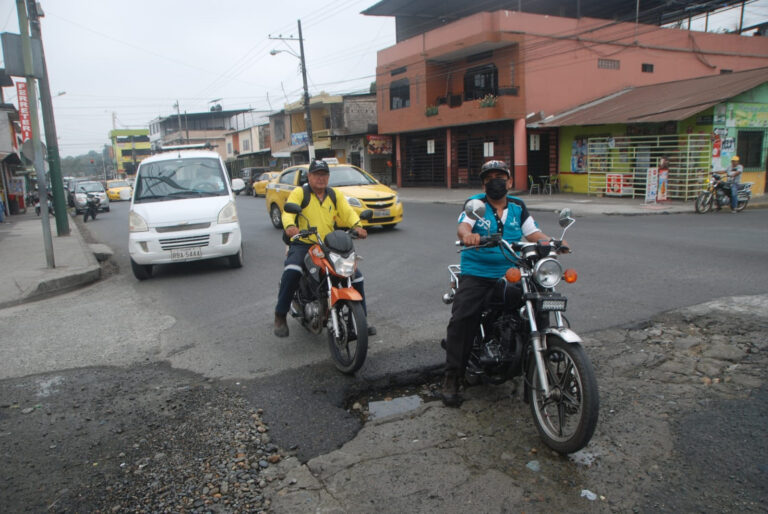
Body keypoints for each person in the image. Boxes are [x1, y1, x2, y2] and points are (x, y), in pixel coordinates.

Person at [441, 160, 556, 407]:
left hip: (514, 271)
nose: (496, 181)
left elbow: (533, 233)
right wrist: (468, 236)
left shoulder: (517, 206)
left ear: (510, 181)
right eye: (490, 177)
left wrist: (552, 242)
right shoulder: (476, 204)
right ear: (483, 183)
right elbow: (464, 226)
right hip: (478, 272)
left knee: (540, 302)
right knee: (463, 318)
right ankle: (453, 377)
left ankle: (541, 356)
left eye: (500, 176)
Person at [274, 159, 376, 337]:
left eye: (324, 175)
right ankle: (280, 315)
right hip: (303, 242)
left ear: (328, 177)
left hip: (327, 245)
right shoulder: (300, 193)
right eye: (317, 174)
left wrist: (357, 226)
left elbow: (347, 213)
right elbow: (288, 213)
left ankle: (360, 321)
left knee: (355, 276)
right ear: (310, 176)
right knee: (293, 270)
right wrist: (290, 227)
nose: (321, 178)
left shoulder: (334, 195)